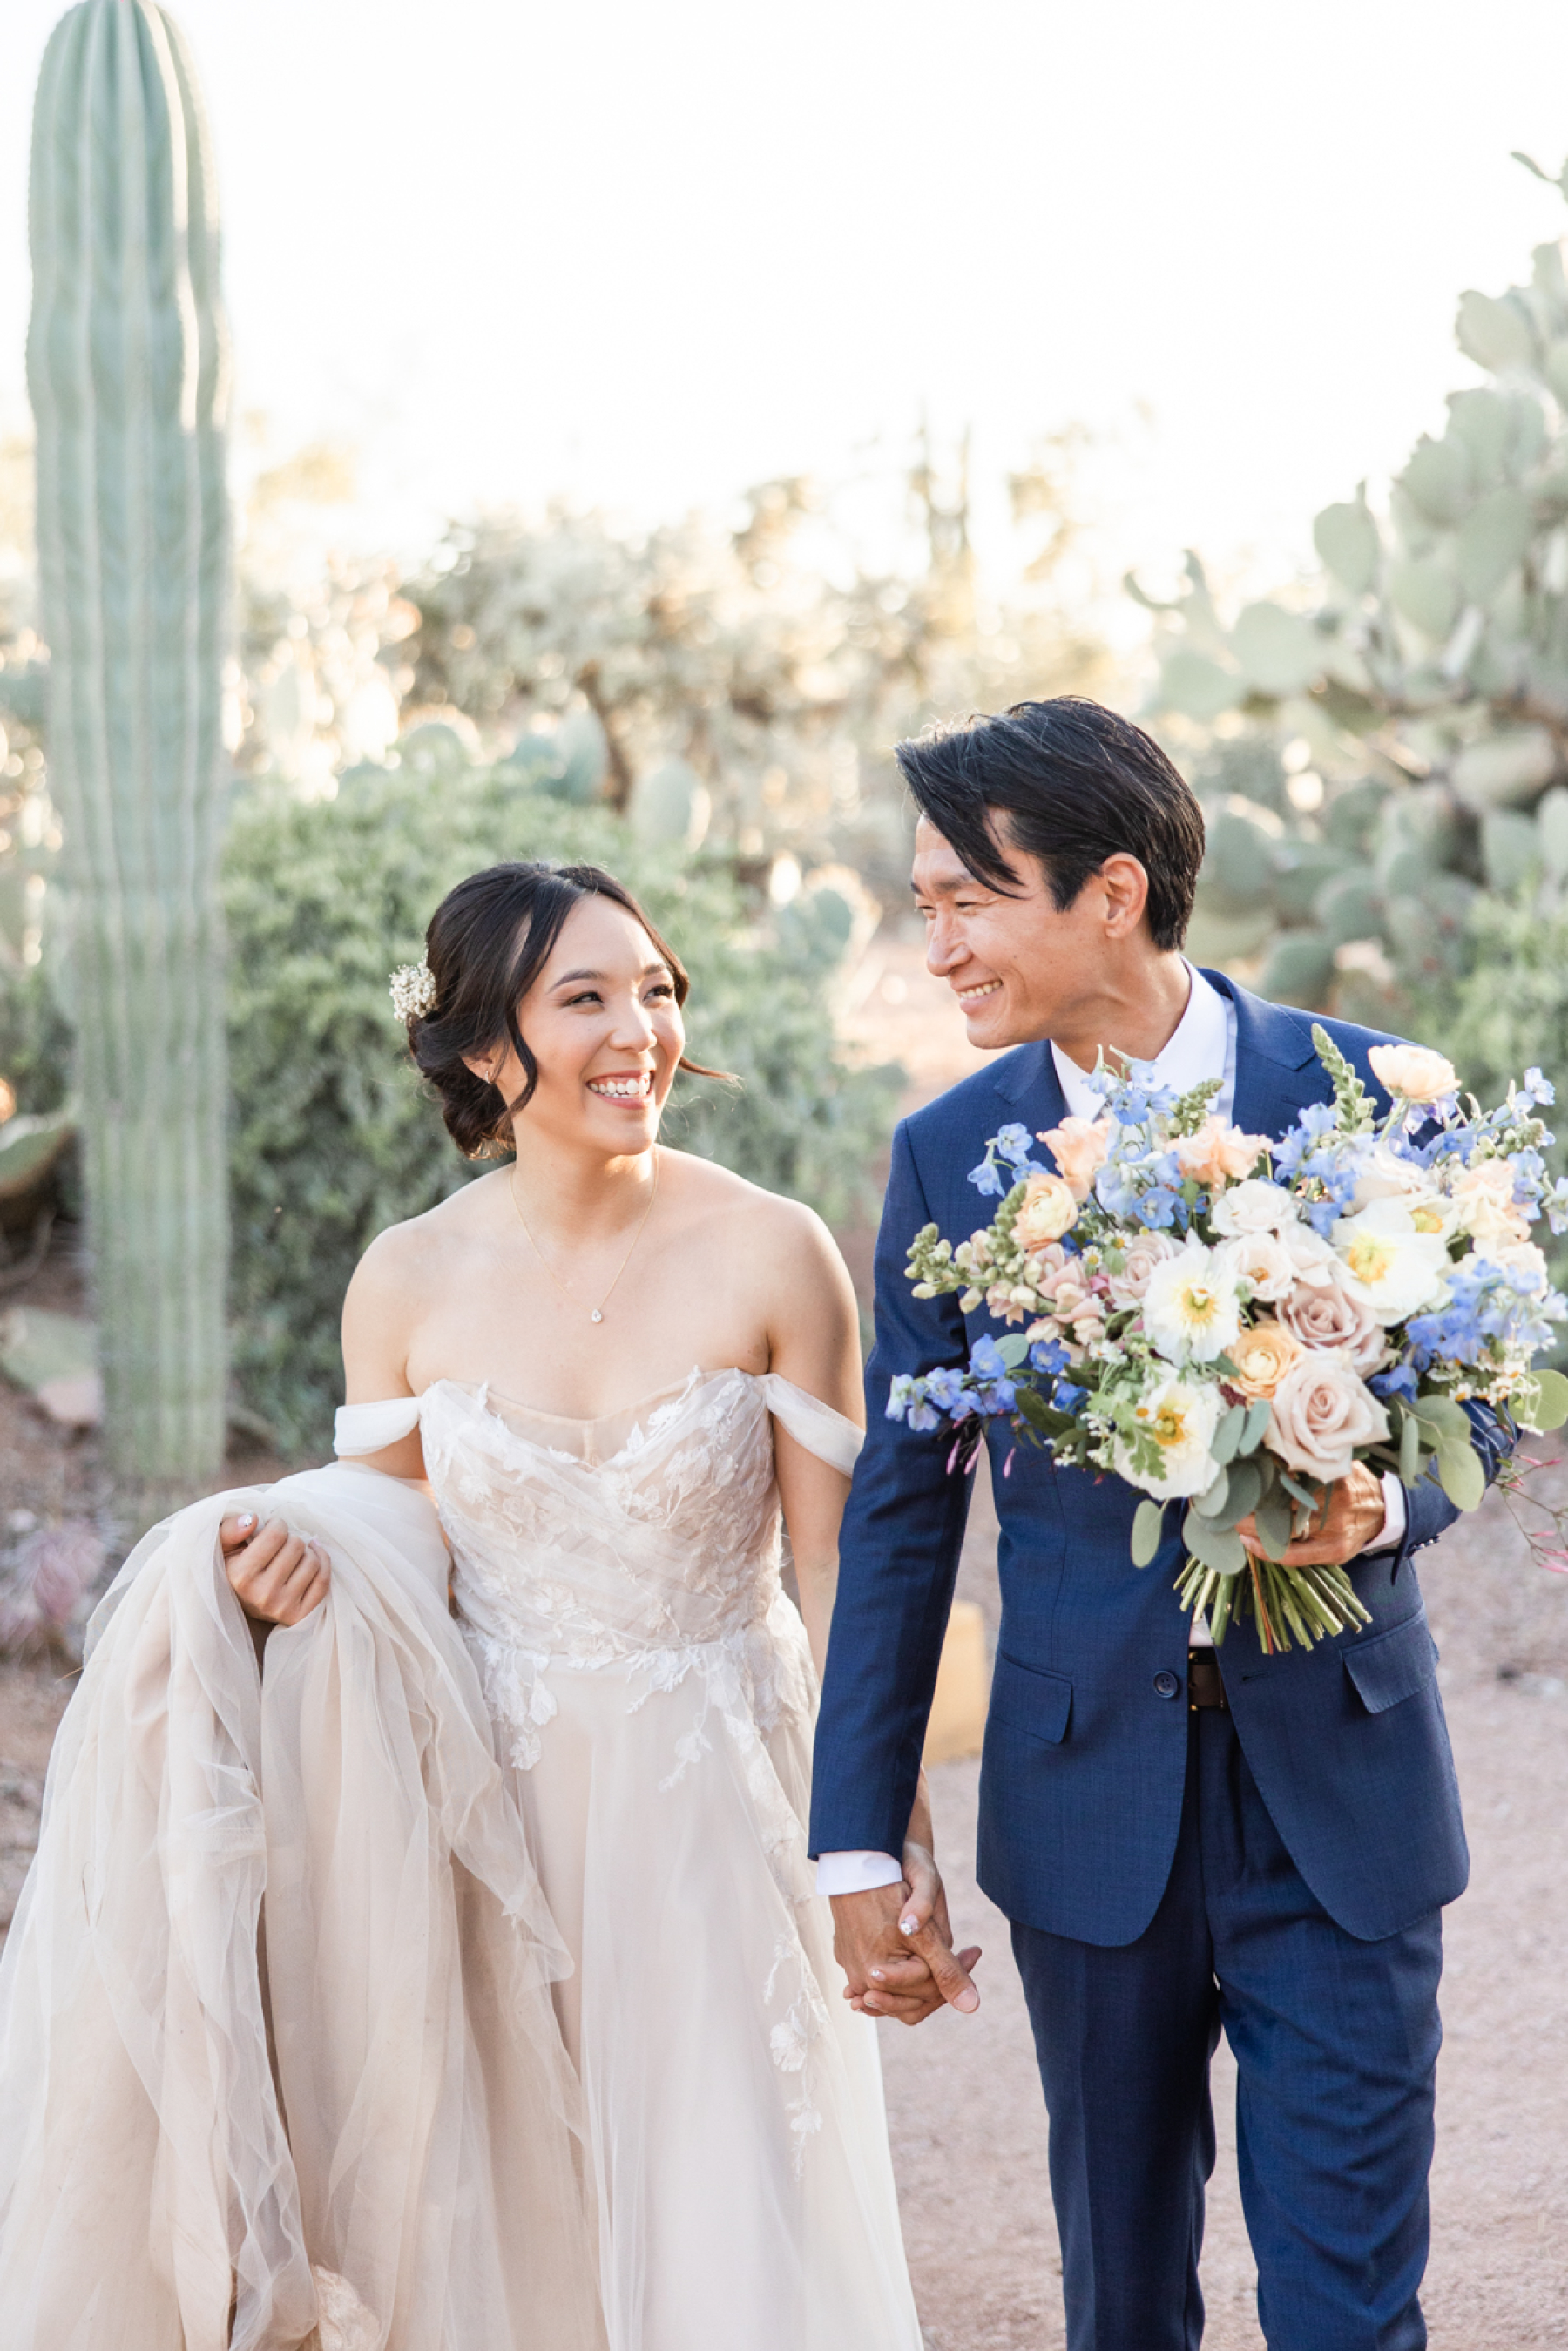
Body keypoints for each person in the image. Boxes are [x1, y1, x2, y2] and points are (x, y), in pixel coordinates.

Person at [0, 860, 932, 2351]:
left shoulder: (775, 1249)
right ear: (487, 1048)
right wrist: (280, 1559)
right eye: (588, 999)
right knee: (505, 2222)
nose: (643, 1030)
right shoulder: (408, 1278)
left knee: (725, 2215)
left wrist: (874, 1836)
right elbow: (395, 1534)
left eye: (658, 990)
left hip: (713, 1806)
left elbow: (831, 1571)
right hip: (481, 1813)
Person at [809, 699, 1505, 2351]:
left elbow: (1493, 1379)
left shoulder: (1370, 1095)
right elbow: (904, 1520)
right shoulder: (948, 1156)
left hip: (1342, 1785)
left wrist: (1386, 1498)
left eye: (968, 902)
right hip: (1084, 1807)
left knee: (1350, 2308)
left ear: (1109, 893)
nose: (940, 950)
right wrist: (856, 1838)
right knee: (1122, 2300)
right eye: (925, 909)